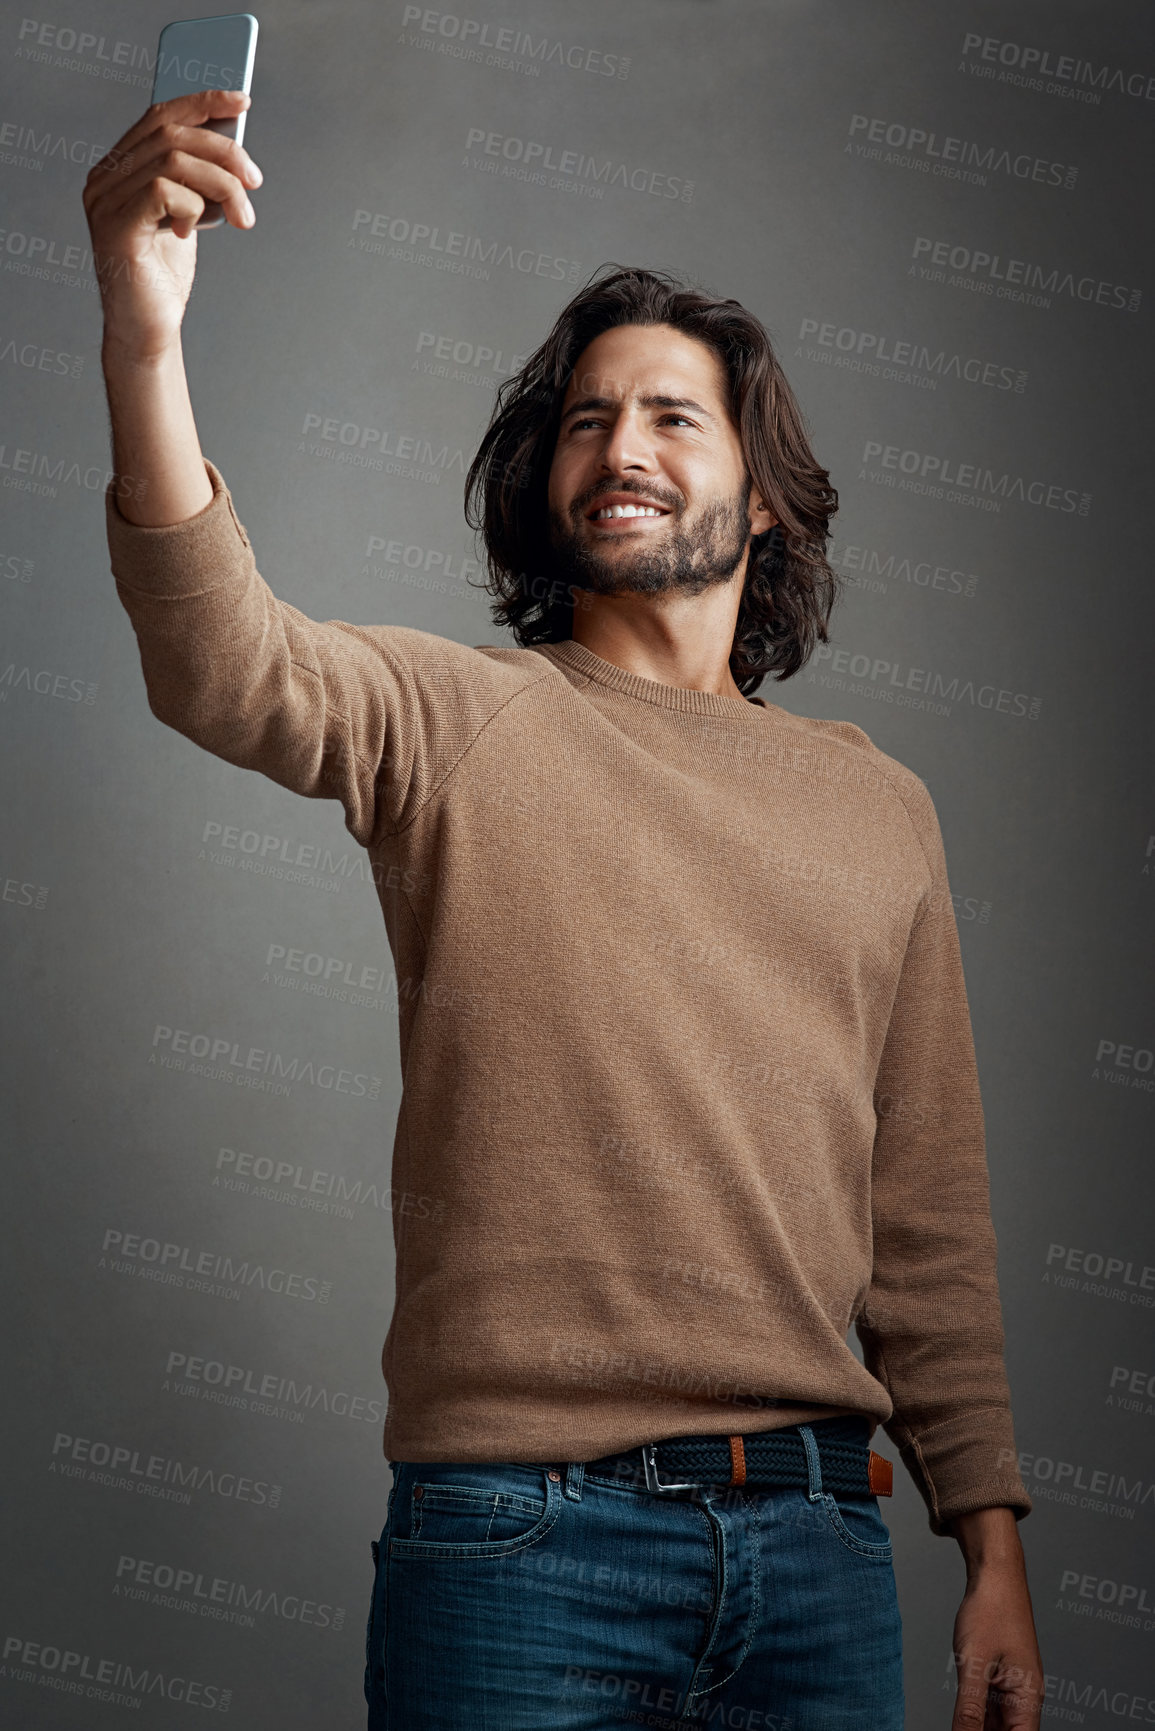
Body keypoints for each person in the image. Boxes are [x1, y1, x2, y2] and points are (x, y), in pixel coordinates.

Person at [84, 88, 1044, 1731]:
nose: (621, 448)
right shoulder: (454, 719)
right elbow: (219, 660)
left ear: (768, 499)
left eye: (675, 417)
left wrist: (996, 1548)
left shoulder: (881, 808)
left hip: (824, 1547)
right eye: (589, 421)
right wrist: (142, 334)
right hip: (520, 1546)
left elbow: (928, 1227)